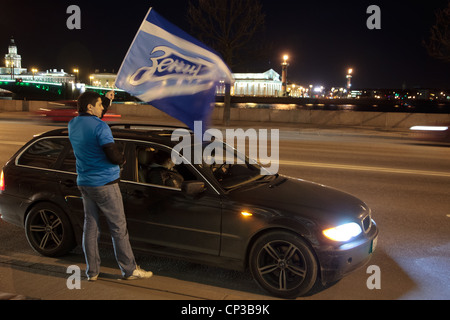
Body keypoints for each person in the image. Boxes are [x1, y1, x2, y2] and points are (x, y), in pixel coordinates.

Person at [68, 90, 152, 281]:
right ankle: (129, 270)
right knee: (118, 228)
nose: (101, 108)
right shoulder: (101, 127)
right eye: (99, 104)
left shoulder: (73, 124)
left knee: (90, 227)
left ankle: (92, 272)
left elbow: (91, 120)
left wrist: (106, 100)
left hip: (85, 182)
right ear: (90, 107)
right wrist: (122, 160)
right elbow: (113, 155)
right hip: (105, 183)